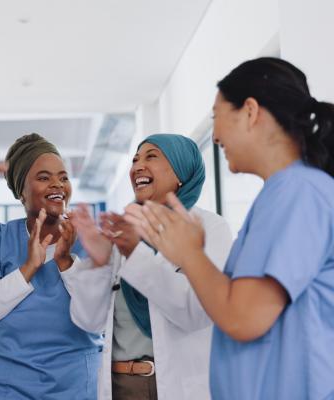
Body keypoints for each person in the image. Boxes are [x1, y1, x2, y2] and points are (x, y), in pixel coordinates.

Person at [123, 58, 334, 400]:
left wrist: (189, 254)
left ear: (250, 112)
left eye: (216, 118)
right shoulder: (283, 194)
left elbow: (242, 317)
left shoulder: (298, 193)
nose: (216, 134)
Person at [66, 133, 232, 400]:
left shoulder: (211, 228)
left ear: (181, 171)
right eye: (135, 159)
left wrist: (135, 254)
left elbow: (198, 313)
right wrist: (97, 264)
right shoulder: (125, 230)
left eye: (151, 156)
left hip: (177, 386)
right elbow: (90, 322)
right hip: (120, 386)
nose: (137, 166)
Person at [0, 133, 103, 399]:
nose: (57, 184)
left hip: (74, 388)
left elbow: (100, 318)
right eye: (44, 177)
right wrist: (29, 268)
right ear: (20, 191)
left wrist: (66, 262)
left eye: (63, 177)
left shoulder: (90, 239)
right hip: (2, 388)